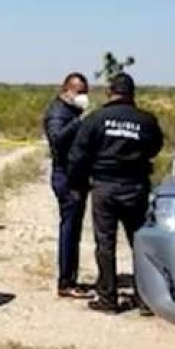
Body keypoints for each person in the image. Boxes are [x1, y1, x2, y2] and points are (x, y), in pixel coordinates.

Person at [68, 73, 164, 315]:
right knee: (139, 243)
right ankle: (145, 300)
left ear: (110, 92)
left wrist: (77, 183)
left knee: (105, 244)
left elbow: (78, 155)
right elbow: (155, 147)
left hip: (105, 187)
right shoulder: (146, 120)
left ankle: (108, 299)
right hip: (136, 187)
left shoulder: (96, 119)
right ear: (132, 93)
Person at [43, 72, 92, 299]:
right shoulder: (58, 112)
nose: (83, 96)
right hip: (66, 177)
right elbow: (57, 140)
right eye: (80, 92)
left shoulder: (72, 111)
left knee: (75, 230)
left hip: (77, 176)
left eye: (85, 92)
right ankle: (66, 282)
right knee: (69, 228)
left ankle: (71, 277)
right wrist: (78, 122)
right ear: (67, 90)